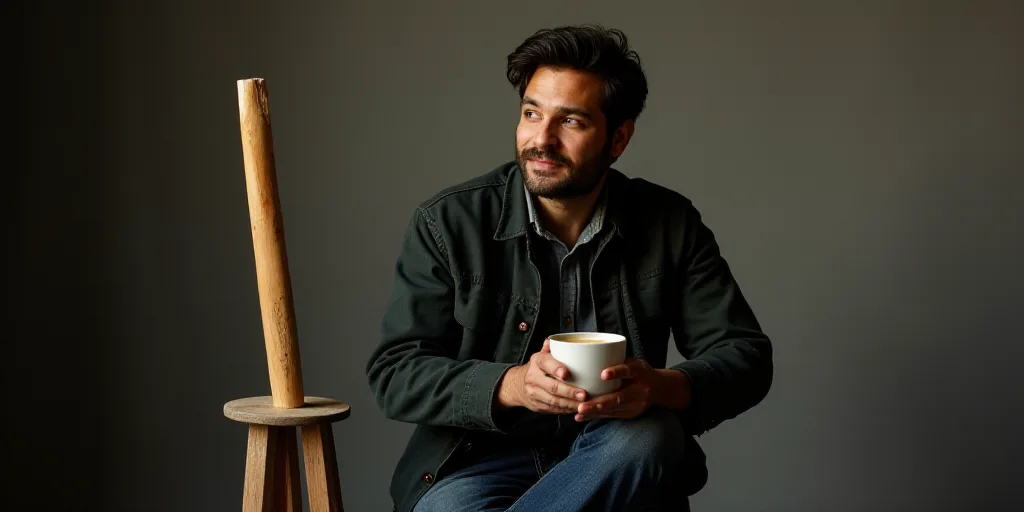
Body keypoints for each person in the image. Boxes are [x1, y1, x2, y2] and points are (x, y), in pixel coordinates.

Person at [366, 24, 774, 512]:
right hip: (479, 461)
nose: (542, 140)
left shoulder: (669, 223)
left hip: (616, 455)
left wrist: (661, 386)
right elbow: (395, 373)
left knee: (649, 436)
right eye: (531, 113)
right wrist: (512, 385)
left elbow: (745, 355)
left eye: (571, 122)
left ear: (618, 138)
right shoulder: (449, 222)